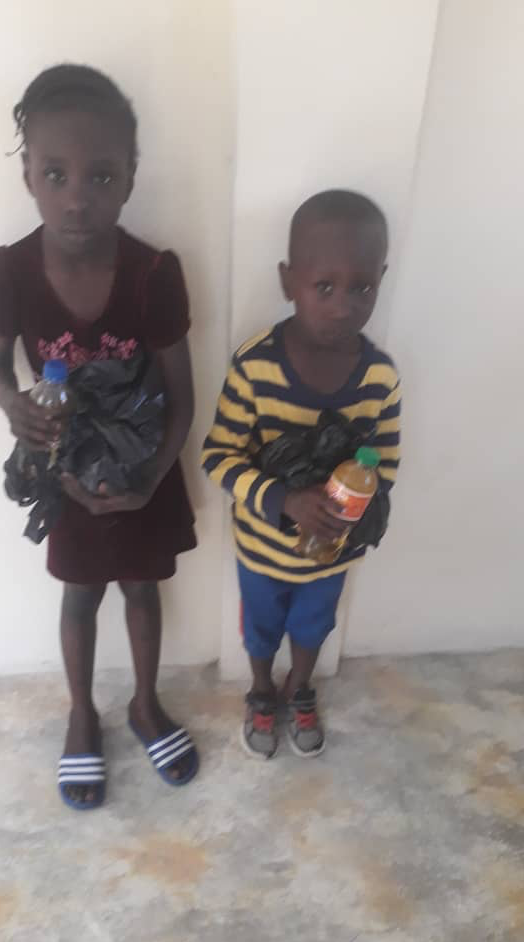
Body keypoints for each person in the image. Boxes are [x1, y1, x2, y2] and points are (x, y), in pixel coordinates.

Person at [0, 64, 199, 810]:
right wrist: (13, 404)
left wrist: (149, 482)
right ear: (29, 177)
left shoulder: (153, 274)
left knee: (142, 588)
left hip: (143, 471)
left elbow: (182, 396)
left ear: (131, 177)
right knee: (79, 596)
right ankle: (81, 713)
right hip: (65, 472)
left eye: (101, 175)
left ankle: (145, 704)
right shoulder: (9, 272)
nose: (77, 197)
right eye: (56, 174)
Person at [202, 190, 401, 760]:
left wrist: (354, 504)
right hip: (262, 551)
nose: (343, 307)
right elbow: (218, 456)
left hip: (332, 553)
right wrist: (283, 498)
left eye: (362, 288)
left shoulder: (380, 378)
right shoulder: (255, 366)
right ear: (288, 281)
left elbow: (385, 465)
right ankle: (262, 689)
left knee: (314, 627)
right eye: (324, 287)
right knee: (261, 630)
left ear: (381, 281)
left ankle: (300, 686)